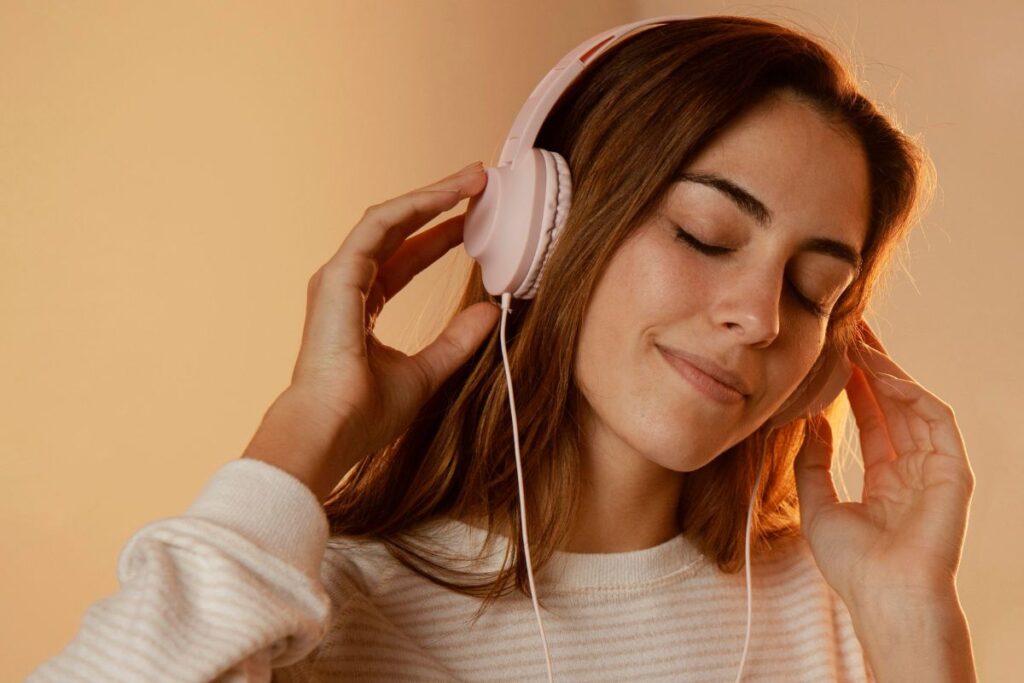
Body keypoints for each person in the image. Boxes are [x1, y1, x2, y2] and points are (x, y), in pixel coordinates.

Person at [27, 15, 976, 683]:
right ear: (542, 228)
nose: (762, 317)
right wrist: (301, 435)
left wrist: (913, 628)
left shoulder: (852, 613)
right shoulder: (306, 611)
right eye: (704, 234)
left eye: (812, 289)